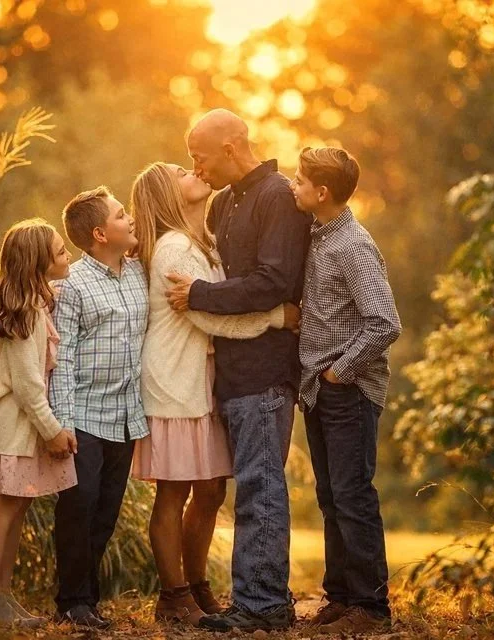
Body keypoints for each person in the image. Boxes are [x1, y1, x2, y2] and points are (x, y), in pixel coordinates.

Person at [129, 162, 300, 626]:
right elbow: (208, 316)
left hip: (203, 382)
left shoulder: (201, 242)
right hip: (174, 383)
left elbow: (217, 299)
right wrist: (276, 319)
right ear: (168, 194)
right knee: (175, 492)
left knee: (209, 490)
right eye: (183, 171)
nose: (196, 171)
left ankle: (198, 585)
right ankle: (174, 594)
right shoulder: (173, 249)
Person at [165, 109, 312, 632]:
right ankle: (255, 599)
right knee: (251, 485)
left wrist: (199, 295)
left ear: (229, 148)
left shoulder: (277, 197)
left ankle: (263, 606)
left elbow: (274, 280)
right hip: (230, 368)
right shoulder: (225, 202)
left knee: (261, 487)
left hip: (266, 370)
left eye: (199, 156)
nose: (195, 167)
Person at [291, 146, 402, 634]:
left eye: (299, 180)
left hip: (347, 391)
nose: (294, 187)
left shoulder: (351, 245)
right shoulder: (318, 236)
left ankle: (371, 608)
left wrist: (340, 373)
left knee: (353, 495)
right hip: (320, 389)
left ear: (322, 192)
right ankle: (341, 597)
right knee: (331, 495)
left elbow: (385, 323)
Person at [0, 218, 78, 627]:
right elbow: (29, 386)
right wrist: (53, 431)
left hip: (21, 428)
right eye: (61, 251)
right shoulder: (27, 313)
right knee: (5, 506)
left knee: (17, 506)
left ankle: (3, 594)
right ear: (37, 263)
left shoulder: (33, 306)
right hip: (11, 427)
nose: (68, 256)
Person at [48, 186, 149, 629]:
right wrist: (61, 422)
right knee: (79, 505)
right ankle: (72, 600)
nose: (130, 220)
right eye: (121, 215)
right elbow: (63, 358)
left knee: (106, 511)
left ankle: (88, 600)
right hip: (84, 415)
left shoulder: (139, 273)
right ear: (99, 233)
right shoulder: (71, 287)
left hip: (126, 416)